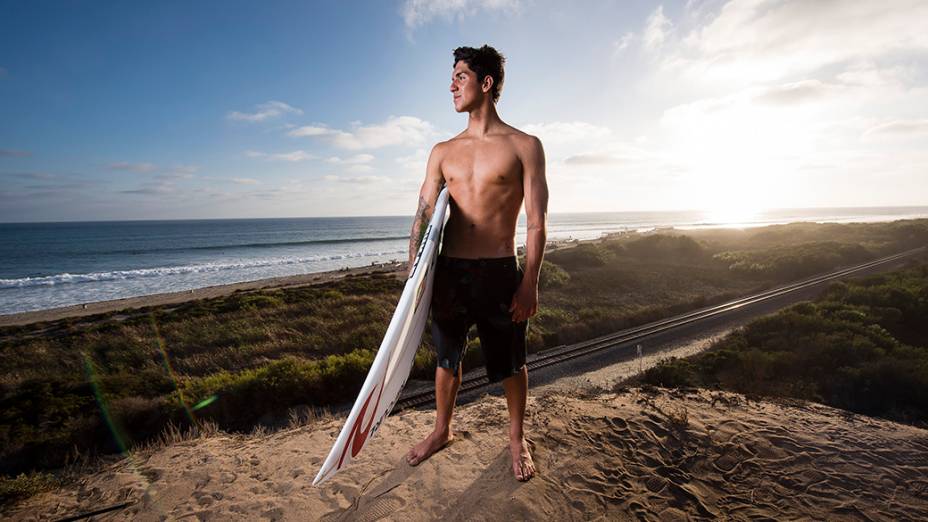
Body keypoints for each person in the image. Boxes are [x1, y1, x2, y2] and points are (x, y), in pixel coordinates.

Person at [404, 44, 548, 481]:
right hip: (450, 271)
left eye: (460, 76)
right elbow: (424, 216)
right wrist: (414, 277)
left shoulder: (524, 146)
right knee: (446, 357)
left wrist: (530, 283)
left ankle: (516, 436)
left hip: (500, 271)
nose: (451, 85)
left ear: (485, 84)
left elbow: (537, 223)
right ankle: (442, 430)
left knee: (510, 361)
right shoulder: (442, 151)